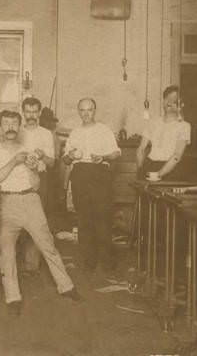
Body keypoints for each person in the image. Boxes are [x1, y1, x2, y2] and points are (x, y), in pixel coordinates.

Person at [0, 110, 83, 316]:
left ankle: (66, 287)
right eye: (6, 123)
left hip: (31, 200)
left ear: (19, 126)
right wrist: (15, 161)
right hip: (5, 202)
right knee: (7, 252)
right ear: (0, 126)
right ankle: (13, 298)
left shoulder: (28, 150)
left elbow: (37, 184)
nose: (10, 127)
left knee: (47, 245)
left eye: (14, 123)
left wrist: (33, 169)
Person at [63, 98, 121, 275]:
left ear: (94, 110)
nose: (86, 114)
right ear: (78, 112)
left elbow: (117, 153)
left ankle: (107, 262)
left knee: (102, 219)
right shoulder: (74, 133)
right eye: (82, 110)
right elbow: (65, 160)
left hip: (99, 174)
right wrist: (71, 155)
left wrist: (103, 156)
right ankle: (89, 261)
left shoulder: (104, 130)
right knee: (84, 220)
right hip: (80, 174)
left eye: (89, 110)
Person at [17, 97, 56, 273]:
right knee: (17, 219)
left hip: (41, 179)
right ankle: (17, 262)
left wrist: (42, 156)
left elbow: (52, 163)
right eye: (28, 111)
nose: (31, 115)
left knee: (38, 221)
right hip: (18, 179)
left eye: (34, 112)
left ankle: (31, 265)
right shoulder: (16, 131)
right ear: (23, 112)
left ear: (39, 113)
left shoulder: (46, 134)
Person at [136, 85, 191, 181]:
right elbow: (141, 148)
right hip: (150, 165)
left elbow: (177, 155)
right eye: (167, 98)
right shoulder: (152, 122)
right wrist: (141, 169)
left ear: (181, 104)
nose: (169, 102)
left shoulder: (184, 126)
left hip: (170, 169)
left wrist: (159, 174)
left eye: (174, 100)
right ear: (163, 100)